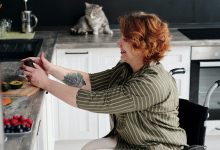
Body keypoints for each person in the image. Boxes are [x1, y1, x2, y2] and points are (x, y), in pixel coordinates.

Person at [22, 11, 187, 150]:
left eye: (125, 39)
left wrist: (46, 83)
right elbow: (89, 82)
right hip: (130, 142)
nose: (118, 42)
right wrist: (50, 69)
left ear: (142, 44)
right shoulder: (126, 68)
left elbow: (95, 101)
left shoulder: (150, 84)